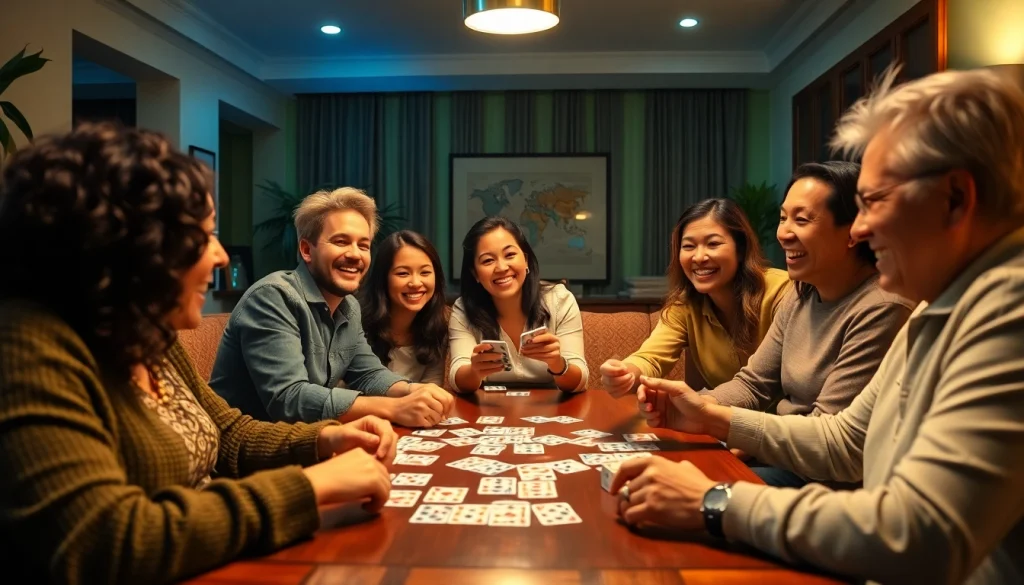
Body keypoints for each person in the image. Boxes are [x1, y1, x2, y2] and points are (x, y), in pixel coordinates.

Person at [613, 67, 1024, 584]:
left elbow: (921, 534)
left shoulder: (1009, 307)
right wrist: (708, 417)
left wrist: (715, 501)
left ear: (956, 199)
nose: (862, 228)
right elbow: (846, 441)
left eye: (874, 202)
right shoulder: (933, 305)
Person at [0, 124, 398, 585]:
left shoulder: (148, 335)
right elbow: (106, 542)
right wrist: (310, 487)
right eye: (205, 235)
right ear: (133, 244)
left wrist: (325, 440)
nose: (222, 256)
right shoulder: (26, 346)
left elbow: (226, 432)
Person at [671, 162, 914, 487]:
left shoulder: (883, 306)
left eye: (802, 220)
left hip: (828, 478)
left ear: (855, 231)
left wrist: (725, 426)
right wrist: (699, 403)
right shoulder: (802, 292)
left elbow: (830, 438)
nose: (783, 233)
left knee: (692, 492)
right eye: (784, 218)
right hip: (782, 455)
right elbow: (754, 384)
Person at [210, 187, 454, 427]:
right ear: (306, 250)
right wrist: (393, 408)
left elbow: (368, 374)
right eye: (341, 241)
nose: (355, 254)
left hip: (307, 442)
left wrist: (417, 390)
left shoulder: (349, 307)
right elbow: (289, 399)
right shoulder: (273, 297)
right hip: (246, 455)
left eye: (363, 245)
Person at [600, 198, 792, 396]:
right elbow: (651, 358)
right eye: (689, 246)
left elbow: (770, 381)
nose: (699, 257)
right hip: (723, 418)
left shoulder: (782, 291)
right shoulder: (684, 305)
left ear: (740, 249)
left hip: (788, 421)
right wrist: (625, 373)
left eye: (713, 244)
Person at [449, 216, 588, 392]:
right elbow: (458, 379)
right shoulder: (463, 309)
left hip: (551, 410)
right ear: (475, 273)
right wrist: (474, 372)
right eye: (487, 260)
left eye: (510, 255)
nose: (501, 267)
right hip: (489, 410)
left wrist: (557, 363)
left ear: (526, 260)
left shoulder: (560, 300)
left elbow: (579, 381)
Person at [359, 230, 448, 385]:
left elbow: (431, 389)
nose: (415, 283)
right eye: (403, 273)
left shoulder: (439, 326)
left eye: (425, 272)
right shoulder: (357, 324)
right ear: (383, 278)